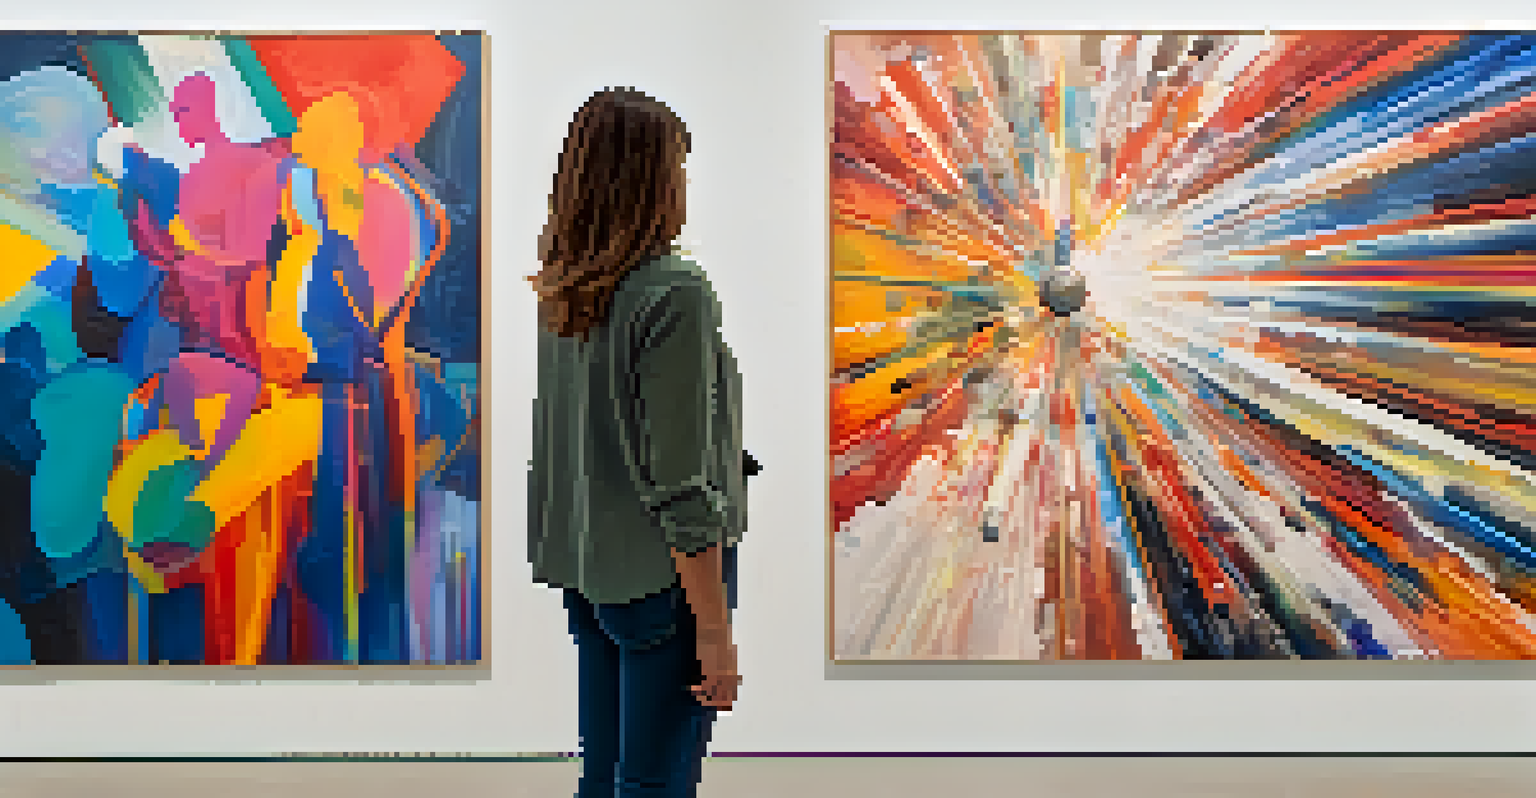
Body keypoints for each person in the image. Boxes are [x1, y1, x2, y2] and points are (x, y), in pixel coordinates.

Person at [528, 87, 746, 798]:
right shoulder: (673, 290)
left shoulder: (569, 288)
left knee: (607, 773)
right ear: (652, 180)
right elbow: (679, 482)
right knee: (656, 781)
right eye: (677, 169)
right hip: (663, 579)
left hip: (593, 573)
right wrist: (713, 632)